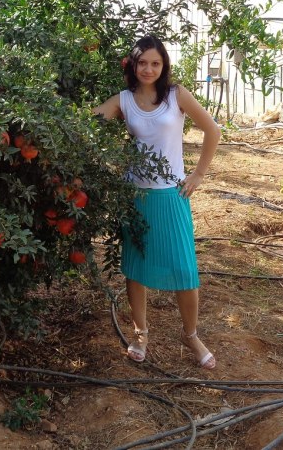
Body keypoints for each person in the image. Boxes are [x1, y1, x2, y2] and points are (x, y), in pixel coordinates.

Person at [94, 34, 221, 367]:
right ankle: (140, 334)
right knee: (136, 270)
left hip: (171, 195)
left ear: (164, 66)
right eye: (142, 63)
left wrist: (197, 175)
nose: (148, 69)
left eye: (155, 63)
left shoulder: (176, 95)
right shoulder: (123, 100)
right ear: (133, 65)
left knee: (184, 270)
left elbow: (213, 130)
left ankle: (190, 335)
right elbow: (89, 123)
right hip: (135, 196)